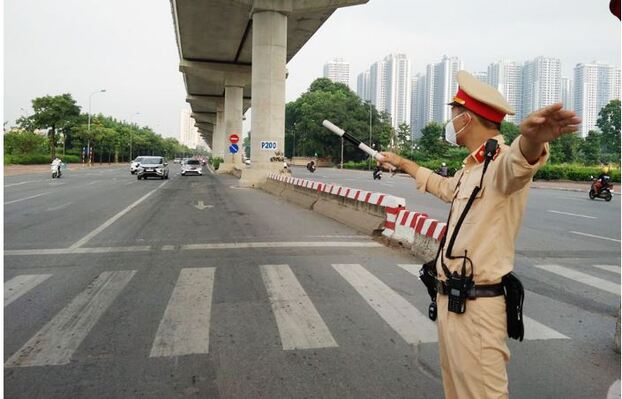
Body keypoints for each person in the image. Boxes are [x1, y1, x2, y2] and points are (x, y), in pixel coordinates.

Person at [378, 71, 580, 399]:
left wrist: (531, 138)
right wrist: (401, 162)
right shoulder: (473, 167)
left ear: (466, 119)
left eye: (454, 114)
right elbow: (443, 186)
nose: (451, 121)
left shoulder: (500, 162)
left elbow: (520, 162)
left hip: (478, 307)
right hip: (451, 302)